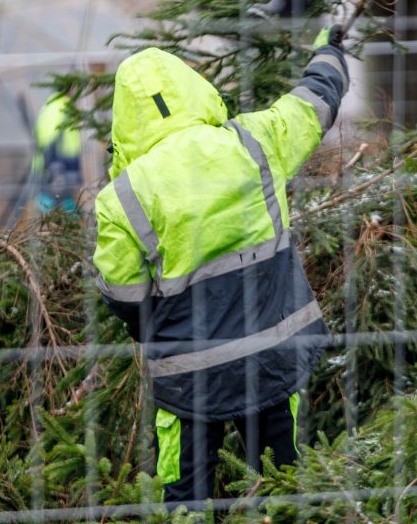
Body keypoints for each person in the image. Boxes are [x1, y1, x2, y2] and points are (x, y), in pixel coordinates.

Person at [92, 26, 348, 505]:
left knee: (184, 493)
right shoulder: (254, 141)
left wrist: (166, 331)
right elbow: (315, 102)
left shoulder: (122, 197)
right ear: (192, 89)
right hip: (272, 357)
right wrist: (328, 51)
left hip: (187, 375)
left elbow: (124, 296)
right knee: (280, 485)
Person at [32, 92, 82, 213]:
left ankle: (49, 223)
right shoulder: (63, 107)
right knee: (63, 200)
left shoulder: (49, 107)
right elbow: (54, 137)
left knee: (49, 200)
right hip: (60, 160)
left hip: (47, 162)